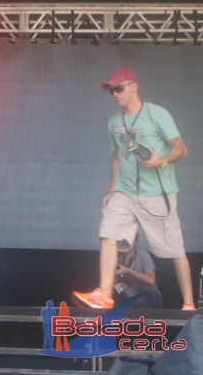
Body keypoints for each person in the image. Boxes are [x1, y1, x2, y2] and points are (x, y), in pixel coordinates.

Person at [72, 68, 196, 310]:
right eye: (111, 91)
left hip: (157, 194)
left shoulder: (157, 114)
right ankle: (104, 294)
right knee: (108, 232)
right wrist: (112, 188)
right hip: (126, 193)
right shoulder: (114, 123)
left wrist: (160, 161)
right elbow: (118, 156)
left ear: (134, 86)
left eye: (119, 88)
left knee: (174, 250)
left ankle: (189, 303)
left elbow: (181, 148)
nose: (115, 94)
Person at [114, 235, 163, 308]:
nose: (125, 244)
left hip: (151, 296)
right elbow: (122, 288)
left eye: (128, 241)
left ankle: (149, 314)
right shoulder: (120, 259)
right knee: (126, 294)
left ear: (135, 243)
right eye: (123, 241)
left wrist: (128, 271)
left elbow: (151, 280)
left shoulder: (143, 254)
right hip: (133, 296)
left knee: (129, 292)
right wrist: (115, 283)